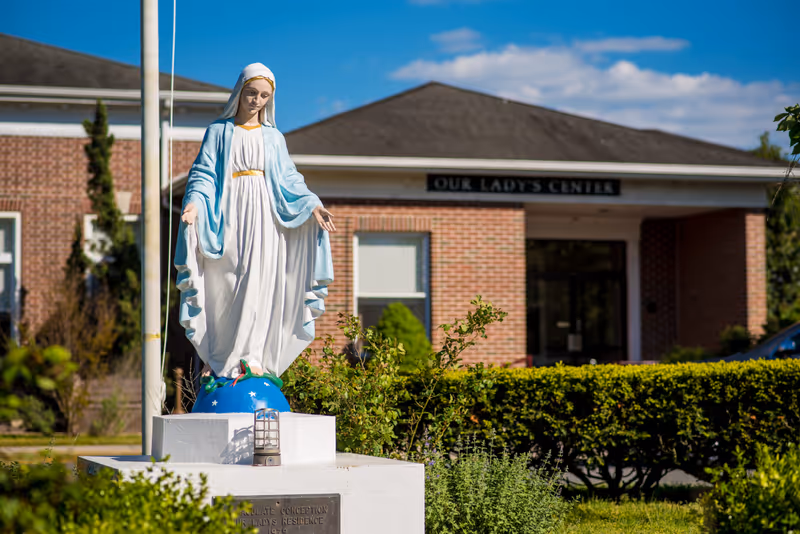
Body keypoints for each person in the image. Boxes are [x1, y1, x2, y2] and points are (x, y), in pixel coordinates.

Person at [174, 63, 334, 382]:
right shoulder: (219, 132)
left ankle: (254, 357)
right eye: (251, 93)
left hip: (265, 216)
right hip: (229, 214)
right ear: (240, 92)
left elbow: (290, 179)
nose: (256, 101)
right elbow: (204, 174)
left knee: (260, 282)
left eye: (264, 96)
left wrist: (313, 205)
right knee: (229, 280)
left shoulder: (273, 138)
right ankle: (221, 355)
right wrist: (193, 204)